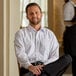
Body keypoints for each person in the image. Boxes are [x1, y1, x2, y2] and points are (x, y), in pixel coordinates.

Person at [14, 3, 72, 76]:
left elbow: (54, 56)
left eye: (36, 13)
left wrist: (43, 66)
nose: (34, 15)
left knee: (67, 58)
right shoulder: (20, 34)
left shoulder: (50, 34)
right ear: (27, 16)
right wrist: (31, 67)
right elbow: (20, 55)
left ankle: (43, 73)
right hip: (28, 69)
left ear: (41, 14)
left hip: (47, 67)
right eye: (31, 13)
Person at [63, 0, 76, 76]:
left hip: (74, 36)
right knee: (74, 59)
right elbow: (66, 22)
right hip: (71, 38)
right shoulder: (68, 5)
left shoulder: (73, 5)